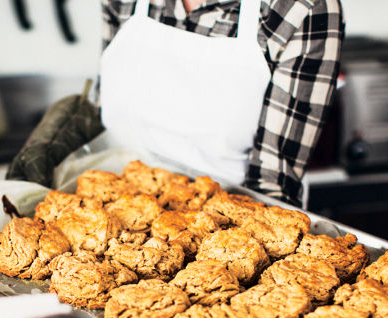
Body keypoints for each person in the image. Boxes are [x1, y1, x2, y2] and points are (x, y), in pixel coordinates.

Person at [99, 0, 344, 207]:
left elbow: (272, 185)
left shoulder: (301, 7)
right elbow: (100, 115)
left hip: (228, 230)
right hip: (103, 209)